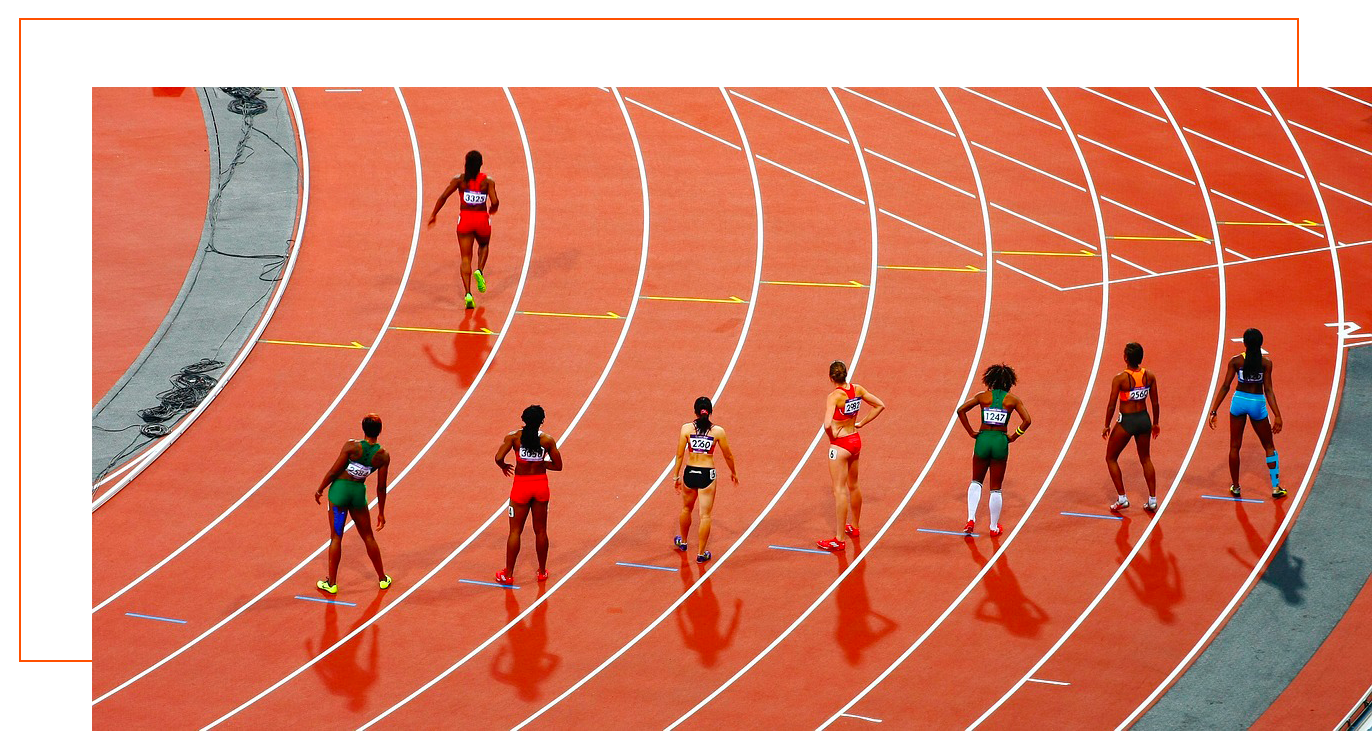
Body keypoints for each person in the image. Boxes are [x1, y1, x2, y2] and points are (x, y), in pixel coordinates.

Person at [314, 413, 391, 594]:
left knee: (336, 537)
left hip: (339, 493)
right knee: (368, 537)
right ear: (380, 431)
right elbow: (381, 487)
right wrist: (381, 512)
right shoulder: (383, 456)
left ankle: (331, 584)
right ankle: (382, 579)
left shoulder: (352, 446)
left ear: (363, 429)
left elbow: (334, 472)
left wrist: (320, 488)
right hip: (358, 495)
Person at [1207, 328, 1285, 497]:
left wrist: (1214, 410)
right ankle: (1275, 487)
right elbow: (1269, 390)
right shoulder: (1266, 363)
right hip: (1257, 403)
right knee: (1269, 446)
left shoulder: (1235, 361)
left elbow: (1225, 386)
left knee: (1234, 446)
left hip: (1238, 402)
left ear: (1244, 343)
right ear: (1261, 343)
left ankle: (1236, 486)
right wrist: (1277, 415)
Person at [956, 364, 1032, 537]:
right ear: (1009, 383)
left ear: (989, 380)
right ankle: (993, 527)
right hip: (1000, 441)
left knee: (976, 481)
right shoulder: (1012, 400)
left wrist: (971, 432)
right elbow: (1027, 420)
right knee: (995, 488)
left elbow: (961, 410)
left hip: (982, 440)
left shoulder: (983, 397)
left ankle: (970, 519)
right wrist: (1014, 436)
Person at [818, 360, 886, 552]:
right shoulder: (857, 389)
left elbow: (826, 425)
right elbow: (880, 405)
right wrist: (862, 423)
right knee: (854, 485)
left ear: (831, 378)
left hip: (840, 445)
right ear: (845, 375)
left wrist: (833, 439)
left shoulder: (834, 397)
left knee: (839, 490)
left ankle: (839, 540)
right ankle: (854, 527)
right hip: (855, 440)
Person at [494, 405, 563, 583]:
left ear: (523, 419)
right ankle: (541, 572)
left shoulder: (514, 438)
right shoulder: (547, 440)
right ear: (542, 421)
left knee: (515, 531)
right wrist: (541, 464)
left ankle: (508, 575)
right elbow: (558, 465)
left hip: (521, 487)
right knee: (540, 531)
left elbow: (498, 458)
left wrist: (504, 466)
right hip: (540, 486)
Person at [427, 150, 500, 310]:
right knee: (483, 245)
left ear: (466, 164)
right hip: (481, 218)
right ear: (481, 164)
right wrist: (493, 208)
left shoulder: (459, 180)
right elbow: (495, 201)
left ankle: (468, 294)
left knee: (465, 258)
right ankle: (480, 270)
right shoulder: (488, 181)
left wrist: (434, 214)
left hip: (465, 219)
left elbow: (443, 196)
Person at [671, 397, 739, 564]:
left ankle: (684, 542)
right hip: (707, 474)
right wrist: (733, 472)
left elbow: (679, 454)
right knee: (705, 515)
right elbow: (728, 455)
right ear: (710, 412)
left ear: (695, 411)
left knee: (686, 509)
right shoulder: (718, 432)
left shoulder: (686, 429)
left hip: (690, 472)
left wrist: (676, 476)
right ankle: (701, 554)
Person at [1102, 342, 1161, 512]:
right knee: (1146, 459)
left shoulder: (1120, 379)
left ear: (1125, 358)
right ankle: (1152, 500)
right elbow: (1155, 402)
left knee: (1111, 457)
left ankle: (1122, 498)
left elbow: (1112, 405)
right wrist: (1156, 423)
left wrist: (1106, 425)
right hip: (1144, 420)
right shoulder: (1149, 376)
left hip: (1127, 421)